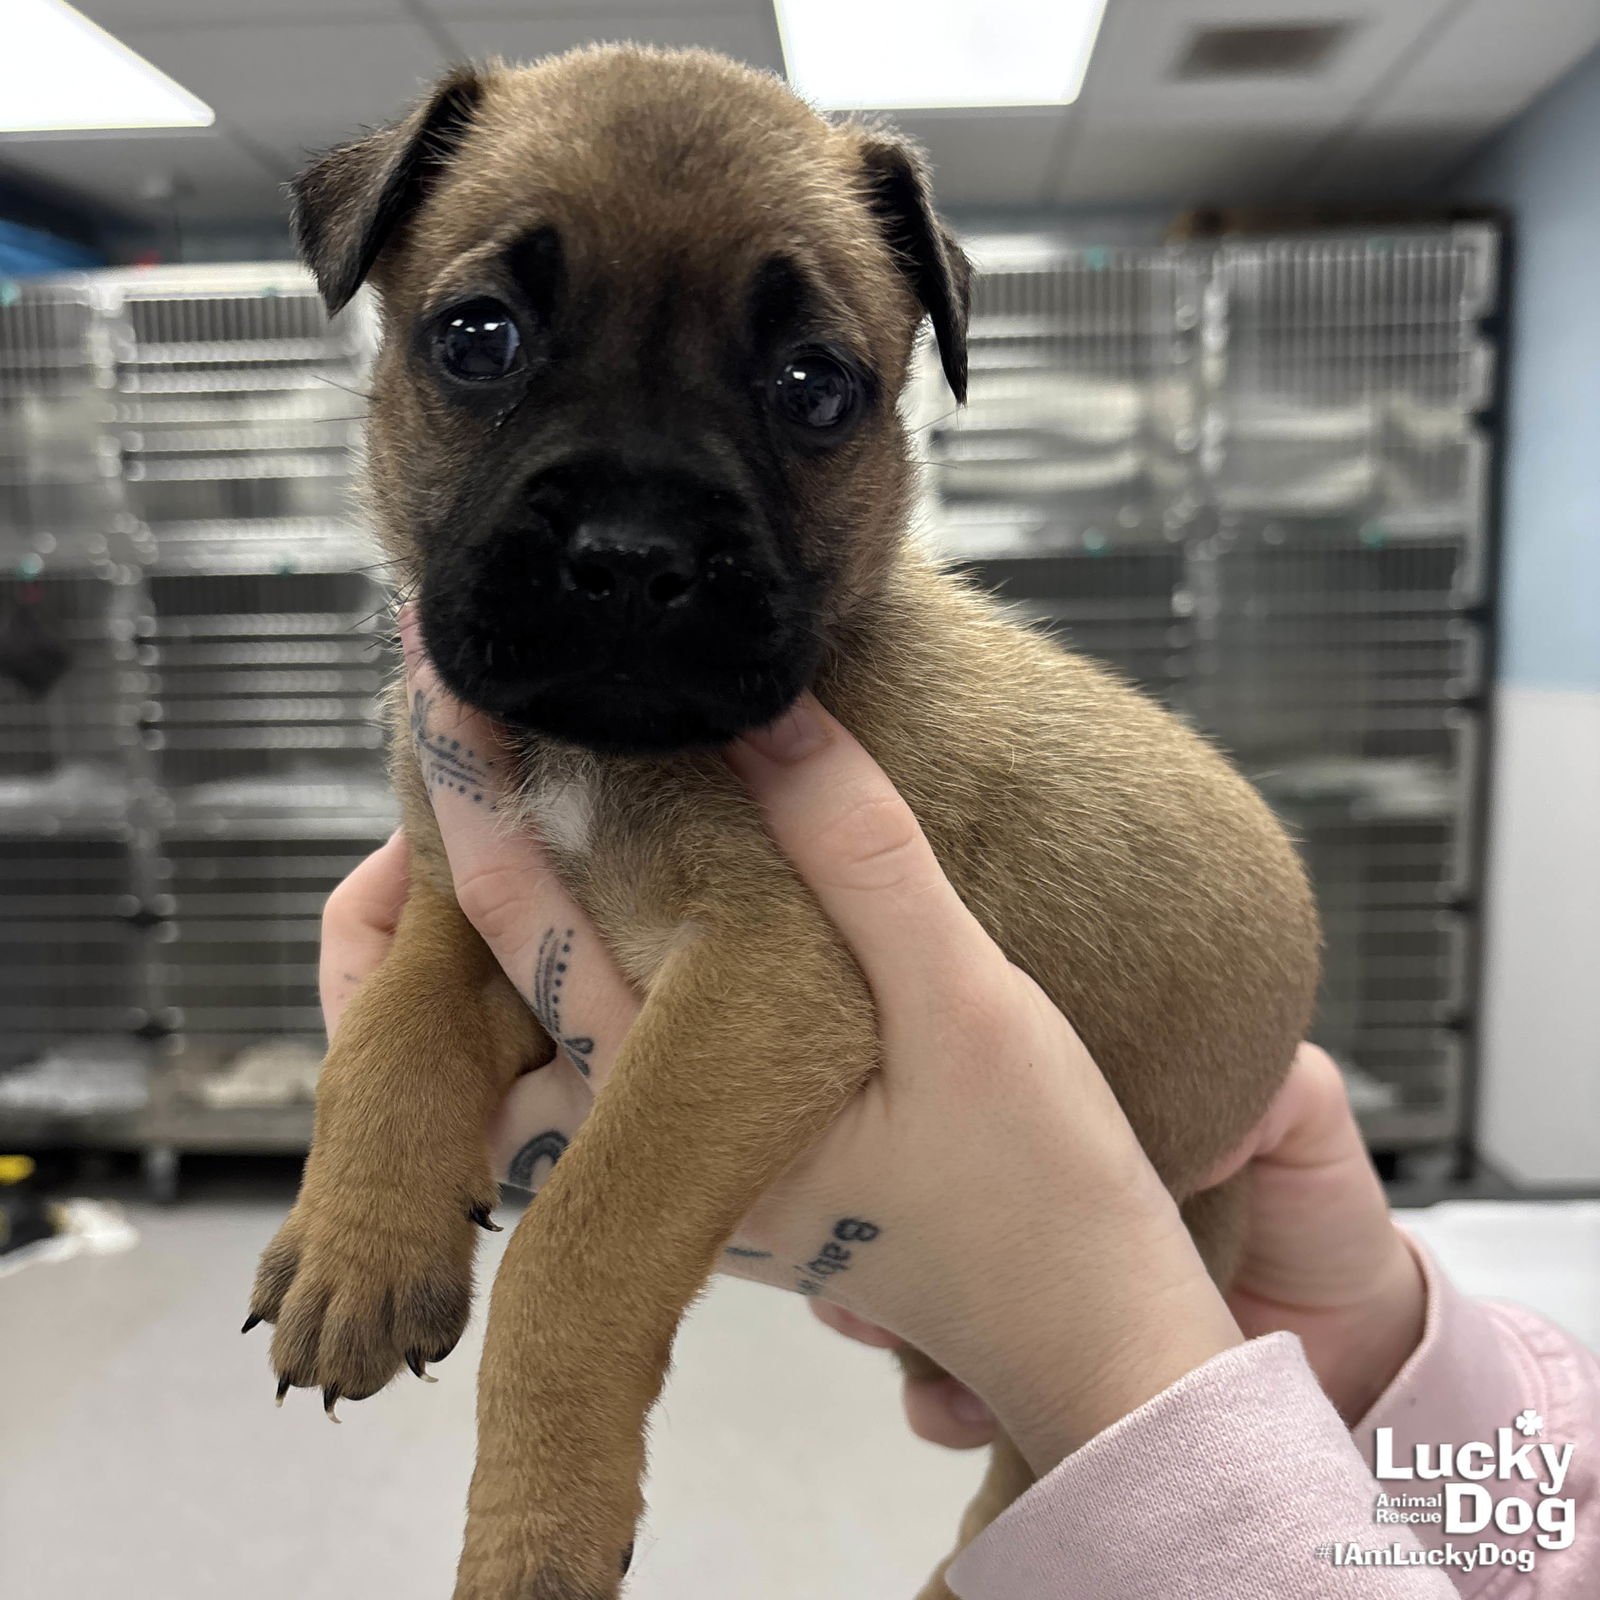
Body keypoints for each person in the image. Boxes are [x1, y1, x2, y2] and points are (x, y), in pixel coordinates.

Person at [316, 625, 1600, 1598]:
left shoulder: (859, 711)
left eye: (808, 385)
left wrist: (1111, 1355)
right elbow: (466, 938)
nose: (625, 524)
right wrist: (381, 1159)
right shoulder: (466, 715)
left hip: (1186, 1141)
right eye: (482, 342)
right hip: (1332, 1313)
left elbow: (781, 993)